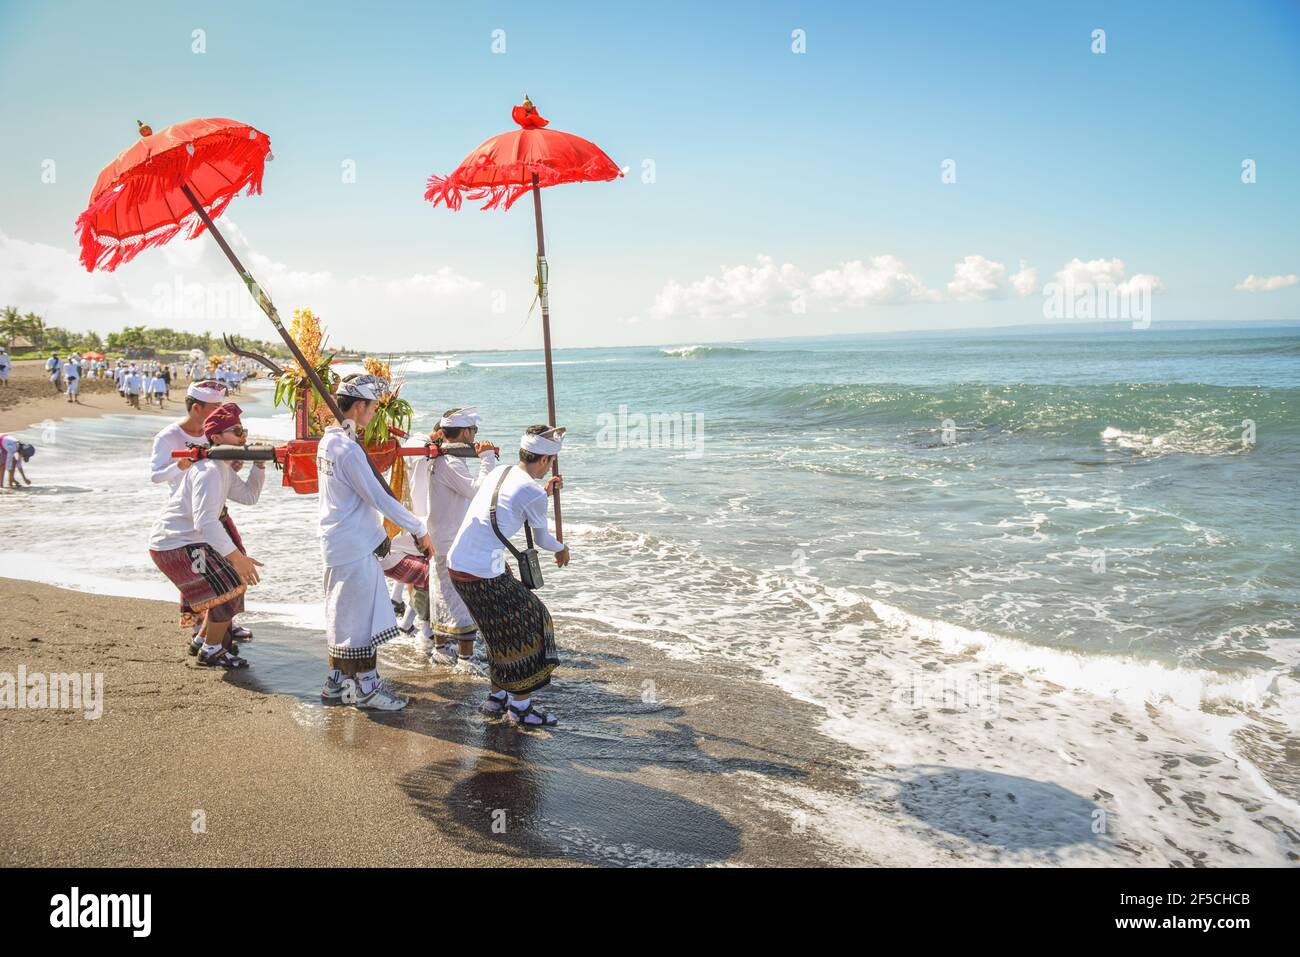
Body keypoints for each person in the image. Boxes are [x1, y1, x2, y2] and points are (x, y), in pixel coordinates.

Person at [316, 373, 432, 711]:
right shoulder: (347, 450)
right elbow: (381, 497)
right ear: (360, 405)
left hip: (338, 541)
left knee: (342, 615)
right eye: (371, 407)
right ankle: (367, 689)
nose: (372, 413)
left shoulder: (329, 442)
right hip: (353, 545)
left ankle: (336, 684)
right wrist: (418, 528)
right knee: (361, 620)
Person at [447, 425, 569, 727]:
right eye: (550, 462)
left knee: (496, 630)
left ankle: (497, 697)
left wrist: (544, 492)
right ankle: (521, 707)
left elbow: (509, 503)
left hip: (459, 564)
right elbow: (543, 540)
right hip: (480, 571)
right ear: (544, 461)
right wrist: (562, 549)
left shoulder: (501, 471)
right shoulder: (530, 491)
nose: (549, 468)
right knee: (532, 622)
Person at [148, 403, 265, 668]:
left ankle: (203, 641)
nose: (243, 437)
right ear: (216, 438)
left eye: (243, 430)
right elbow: (205, 522)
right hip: (175, 544)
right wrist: (237, 558)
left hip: (187, 541)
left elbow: (249, 496)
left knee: (229, 585)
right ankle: (211, 649)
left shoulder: (220, 466)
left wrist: (259, 465)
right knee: (232, 585)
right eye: (237, 431)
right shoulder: (210, 470)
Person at [419, 407, 498, 676]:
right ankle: (465, 658)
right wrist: (487, 459)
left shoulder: (438, 457)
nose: (475, 435)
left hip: (441, 536)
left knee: (442, 593)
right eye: (474, 431)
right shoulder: (449, 462)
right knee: (463, 596)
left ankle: (442, 650)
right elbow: (479, 492)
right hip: (452, 540)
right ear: (464, 432)